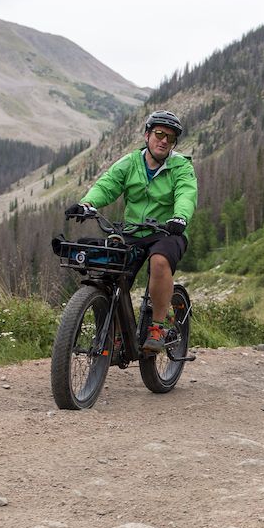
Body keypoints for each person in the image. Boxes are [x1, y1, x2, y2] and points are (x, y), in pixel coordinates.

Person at [66, 110, 197, 354]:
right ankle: (115, 334)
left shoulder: (181, 166)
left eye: (170, 137)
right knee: (110, 271)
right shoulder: (130, 163)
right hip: (133, 231)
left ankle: (157, 327)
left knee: (159, 261)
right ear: (147, 135)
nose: (164, 140)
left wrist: (180, 217)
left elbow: (186, 194)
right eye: (159, 134)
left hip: (167, 232)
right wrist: (87, 204)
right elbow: (107, 186)